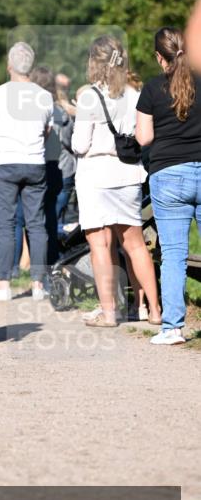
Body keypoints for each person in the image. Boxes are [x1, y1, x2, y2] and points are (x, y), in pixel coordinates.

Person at [72, 35, 161, 328]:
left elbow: (80, 145)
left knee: (100, 244)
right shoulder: (135, 93)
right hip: (128, 173)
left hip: (95, 176)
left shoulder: (89, 96)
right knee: (134, 244)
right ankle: (154, 310)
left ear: (94, 61)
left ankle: (109, 313)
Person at [136, 26, 201, 344]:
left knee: (174, 253)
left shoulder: (151, 89)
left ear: (159, 57)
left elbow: (144, 137)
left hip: (169, 174)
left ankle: (173, 328)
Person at [0, 41, 51, 303]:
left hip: (6, 163)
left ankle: (4, 285)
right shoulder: (44, 96)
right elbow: (47, 132)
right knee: (36, 224)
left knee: (6, 225)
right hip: (35, 163)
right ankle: (38, 285)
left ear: (9, 65)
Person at [30, 65, 67, 266]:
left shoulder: (31, 108)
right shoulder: (59, 110)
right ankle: (52, 259)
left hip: (36, 163)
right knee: (51, 216)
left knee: (32, 217)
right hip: (56, 166)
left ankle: (35, 262)